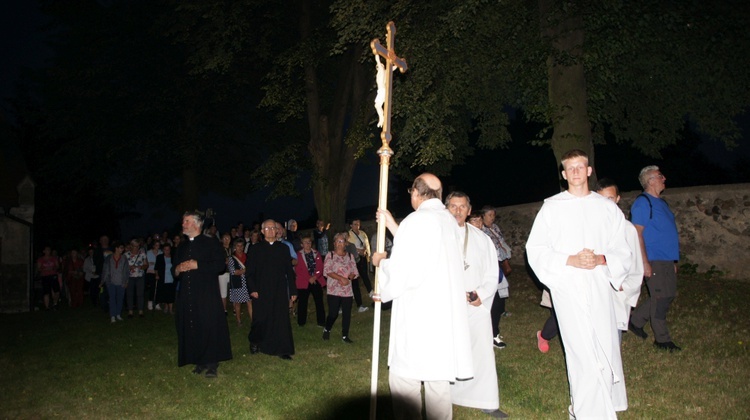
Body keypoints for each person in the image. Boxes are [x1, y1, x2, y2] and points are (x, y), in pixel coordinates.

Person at [526, 149, 632, 419]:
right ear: (563, 174)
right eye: (569, 168)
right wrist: (570, 260)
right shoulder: (552, 208)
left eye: (580, 166)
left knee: (603, 345)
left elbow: (623, 248)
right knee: (580, 350)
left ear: (589, 171)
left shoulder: (607, 208)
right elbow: (536, 249)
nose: (575, 172)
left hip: (598, 286)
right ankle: (584, 410)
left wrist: (601, 258)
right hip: (568, 287)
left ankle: (601, 404)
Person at [371, 173, 473, 420]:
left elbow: (405, 268)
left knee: (405, 380)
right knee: (437, 381)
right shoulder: (449, 222)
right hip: (443, 314)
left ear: (416, 193)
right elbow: (425, 248)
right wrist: (393, 225)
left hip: (419, 315)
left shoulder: (416, 221)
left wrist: (382, 269)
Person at [446, 192, 508, 418]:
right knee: (448, 350)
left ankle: (485, 399)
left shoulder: (482, 239)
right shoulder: (438, 236)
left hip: (474, 303)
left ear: (469, 210)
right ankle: (446, 396)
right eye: (453, 206)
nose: (458, 211)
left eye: (462, 207)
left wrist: (480, 294)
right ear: (446, 209)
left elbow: (492, 273)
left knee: (481, 351)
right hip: (447, 304)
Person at [628, 166, 682, 352]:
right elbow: (637, 234)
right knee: (660, 299)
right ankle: (662, 340)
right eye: (660, 176)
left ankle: (634, 321)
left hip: (667, 260)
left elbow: (667, 233)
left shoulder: (662, 204)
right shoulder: (643, 203)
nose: (664, 178)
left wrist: (673, 261)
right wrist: (644, 262)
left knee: (668, 295)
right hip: (653, 258)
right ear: (650, 180)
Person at [173, 211, 232, 378]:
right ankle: (198, 360)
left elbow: (220, 265)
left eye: (186, 221)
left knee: (208, 325)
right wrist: (178, 269)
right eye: (183, 221)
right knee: (193, 326)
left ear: (196, 224)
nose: (183, 224)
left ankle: (212, 362)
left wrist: (197, 265)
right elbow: (174, 268)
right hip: (187, 293)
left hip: (206, 293)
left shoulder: (211, 242)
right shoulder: (182, 246)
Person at [596, 178, 644, 342]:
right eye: (601, 199)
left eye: (610, 199)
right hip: (595, 289)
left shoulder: (627, 229)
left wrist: (626, 286)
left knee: (612, 337)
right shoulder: (592, 228)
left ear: (617, 199)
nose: (606, 204)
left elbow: (636, 264)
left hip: (616, 291)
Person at [247, 220, 298, 360]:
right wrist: (252, 288)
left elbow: (289, 271)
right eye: (267, 228)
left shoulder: (283, 249)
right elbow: (249, 272)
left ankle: (283, 349)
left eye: (273, 228)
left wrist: (293, 291)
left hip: (279, 289)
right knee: (260, 318)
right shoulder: (255, 249)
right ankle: (255, 341)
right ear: (262, 231)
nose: (270, 230)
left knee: (281, 319)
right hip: (261, 289)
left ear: (277, 230)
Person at [480, 205, 512, 349]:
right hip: (486, 268)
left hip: (497, 263)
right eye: (490, 215)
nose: (492, 218)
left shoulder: (495, 227)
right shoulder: (482, 232)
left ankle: (494, 330)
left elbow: (500, 241)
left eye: (493, 215)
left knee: (499, 292)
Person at [322, 233, 357, 343]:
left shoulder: (350, 256)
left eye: (342, 241)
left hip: (347, 290)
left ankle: (345, 336)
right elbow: (327, 271)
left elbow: (354, 272)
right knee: (333, 313)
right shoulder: (330, 255)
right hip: (334, 289)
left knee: (347, 313)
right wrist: (340, 278)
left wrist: (349, 278)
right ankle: (327, 328)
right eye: (337, 241)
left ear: (346, 243)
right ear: (334, 243)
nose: (339, 244)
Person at [295, 236, 326, 328]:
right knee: (302, 302)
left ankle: (321, 322)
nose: (307, 244)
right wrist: (309, 278)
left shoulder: (316, 253)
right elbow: (298, 269)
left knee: (319, 301)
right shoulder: (298, 255)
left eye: (309, 242)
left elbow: (320, 267)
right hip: (304, 281)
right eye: (305, 242)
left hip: (316, 280)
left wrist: (315, 276)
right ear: (302, 244)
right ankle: (301, 322)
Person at [347, 219, 373, 313]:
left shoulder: (362, 233)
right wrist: (359, 251)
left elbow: (366, 243)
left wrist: (366, 252)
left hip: (363, 256)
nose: (357, 225)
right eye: (355, 224)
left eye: (358, 223)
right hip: (354, 258)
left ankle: (370, 291)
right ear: (350, 225)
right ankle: (357, 301)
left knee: (365, 274)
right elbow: (349, 246)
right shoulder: (349, 235)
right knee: (355, 279)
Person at [101, 241, 128, 323]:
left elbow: (126, 271)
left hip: (121, 282)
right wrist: (102, 281)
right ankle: (112, 315)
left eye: (123, 248)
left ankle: (118, 314)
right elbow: (105, 270)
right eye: (121, 248)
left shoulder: (124, 258)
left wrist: (126, 281)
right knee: (112, 298)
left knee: (120, 298)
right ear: (116, 248)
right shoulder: (109, 258)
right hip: (111, 282)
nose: (122, 250)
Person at [228, 238, 252, 326]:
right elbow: (233, 271)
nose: (240, 248)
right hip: (237, 283)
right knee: (237, 303)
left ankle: (253, 321)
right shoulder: (232, 258)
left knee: (249, 301)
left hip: (247, 282)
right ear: (235, 247)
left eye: (241, 246)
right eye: (238, 246)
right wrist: (245, 270)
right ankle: (238, 321)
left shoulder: (247, 256)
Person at [125, 239, 148, 318]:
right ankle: (130, 311)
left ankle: (140, 311)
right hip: (130, 277)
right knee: (130, 294)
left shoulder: (142, 254)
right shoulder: (126, 255)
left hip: (140, 276)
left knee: (140, 294)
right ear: (131, 246)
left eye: (138, 246)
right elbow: (123, 267)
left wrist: (140, 267)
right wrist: (129, 267)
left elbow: (146, 265)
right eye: (135, 246)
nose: (137, 248)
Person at [154, 244, 176, 314]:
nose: (167, 251)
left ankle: (171, 309)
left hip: (172, 277)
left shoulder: (173, 257)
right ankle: (166, 307)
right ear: (163, 250)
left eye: (168, 249)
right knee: (165, 293)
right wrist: (157, 275)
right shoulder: (159, 257)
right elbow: (156, 268)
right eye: (165, 250)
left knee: (171, 293)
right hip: (163, 277)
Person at [37, 245, 60, 310]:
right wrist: (45, 269)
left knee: (56, 290)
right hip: (45, 276)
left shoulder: (53, 258)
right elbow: (38, 268)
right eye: (47, 250)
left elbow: (57, 266)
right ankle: (47, 307)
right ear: (44, 251)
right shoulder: (41, 259)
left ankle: (55, 303)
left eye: (49, 250)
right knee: (46, 292)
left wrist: (53, 268)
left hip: (53, 275)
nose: (48, 251)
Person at [145, 240, 161, 311]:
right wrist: (151, 263)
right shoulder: (148, 252)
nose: (157, 246)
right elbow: (148, 262)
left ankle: (157, 303)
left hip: (158, 272)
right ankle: (150, 302)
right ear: (153, 245)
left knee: (158, 288)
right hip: (150, 272)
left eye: (158, 245)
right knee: (152, 288)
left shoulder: (160, 252)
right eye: (156, 245)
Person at [219, 232, 232, 315]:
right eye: (225, 238)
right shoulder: (219, 249)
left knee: (234, 290)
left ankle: (235, 308)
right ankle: (224, 309)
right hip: (223, 273)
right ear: (222, 239)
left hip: (231, 272)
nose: (227, 240)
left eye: (228, 238)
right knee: (223, 292)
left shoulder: (232, 249)